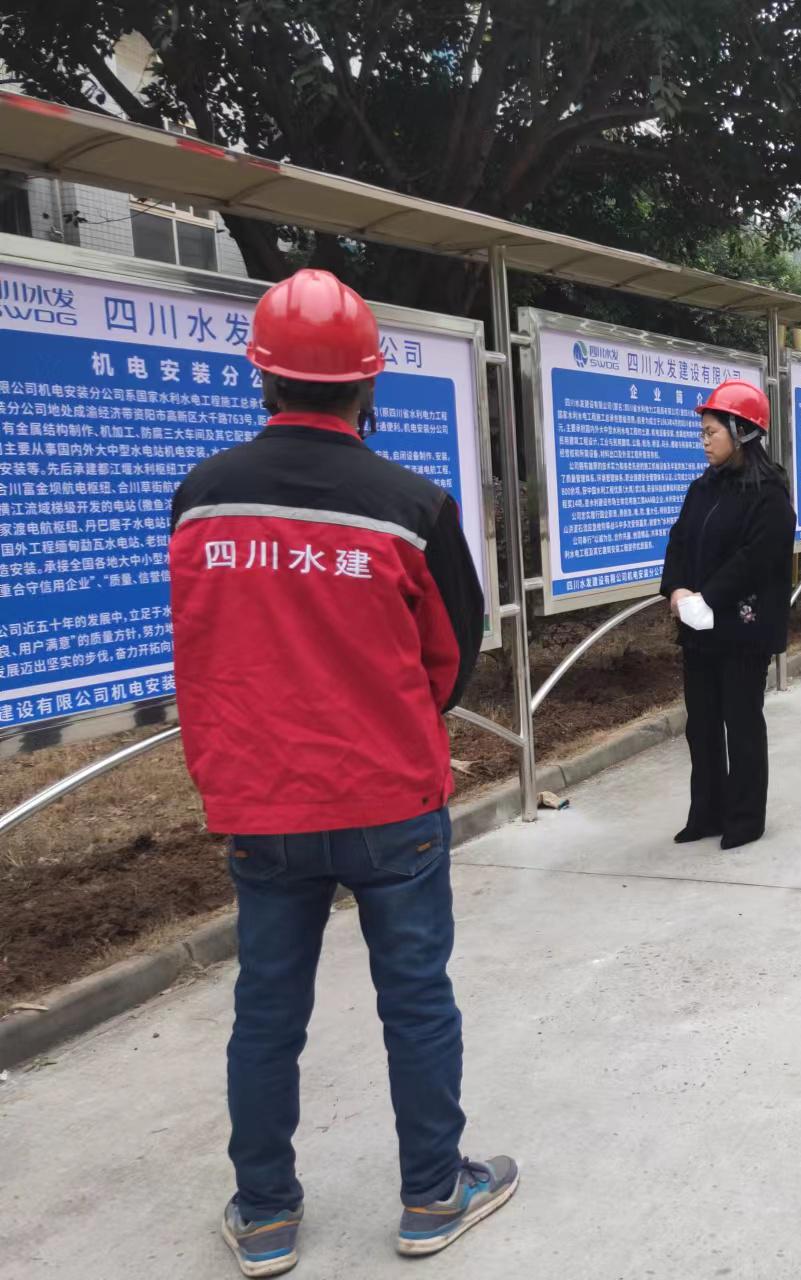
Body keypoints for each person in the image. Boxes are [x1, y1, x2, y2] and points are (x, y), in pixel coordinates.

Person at [168, 269, 513, 1277]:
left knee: (267, 1011)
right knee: (416, 999)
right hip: (389, 799)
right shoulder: (412, 506)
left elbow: (201, 646)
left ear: (263, 378)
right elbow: (452, 654)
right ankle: (432, 1193)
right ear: (369, 384)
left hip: (261, 803)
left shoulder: (201, 500)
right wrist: (389, 717)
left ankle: (265, 1213)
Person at [660, 379, 795, 850]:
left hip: (742, 629)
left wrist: (709, 598)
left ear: (742, 432)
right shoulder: (703, 486)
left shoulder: (769, 494)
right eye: (703, 432)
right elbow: (678, 541)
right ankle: (707, 813)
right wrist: (677, 588)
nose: (704, 441)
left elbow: (757, 558)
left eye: (711, 431)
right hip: (698, 629)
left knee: (741, 723)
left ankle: (745, 817)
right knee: (701, 725)